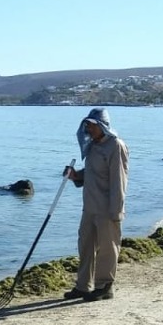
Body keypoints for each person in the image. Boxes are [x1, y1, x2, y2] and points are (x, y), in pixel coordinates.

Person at [63, 107, 129, 302]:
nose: (88, 129)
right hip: (89, 206)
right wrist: (76, 176)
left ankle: (104, 286)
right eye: (87, 125)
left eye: (92, 125)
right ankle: (83, 286)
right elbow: (92, 173)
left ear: (102, 126)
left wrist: (116, 210)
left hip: (108, 208)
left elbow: (119, 180)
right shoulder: (93, 146)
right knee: (85, 245)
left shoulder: (116, 146)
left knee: (108, 247)